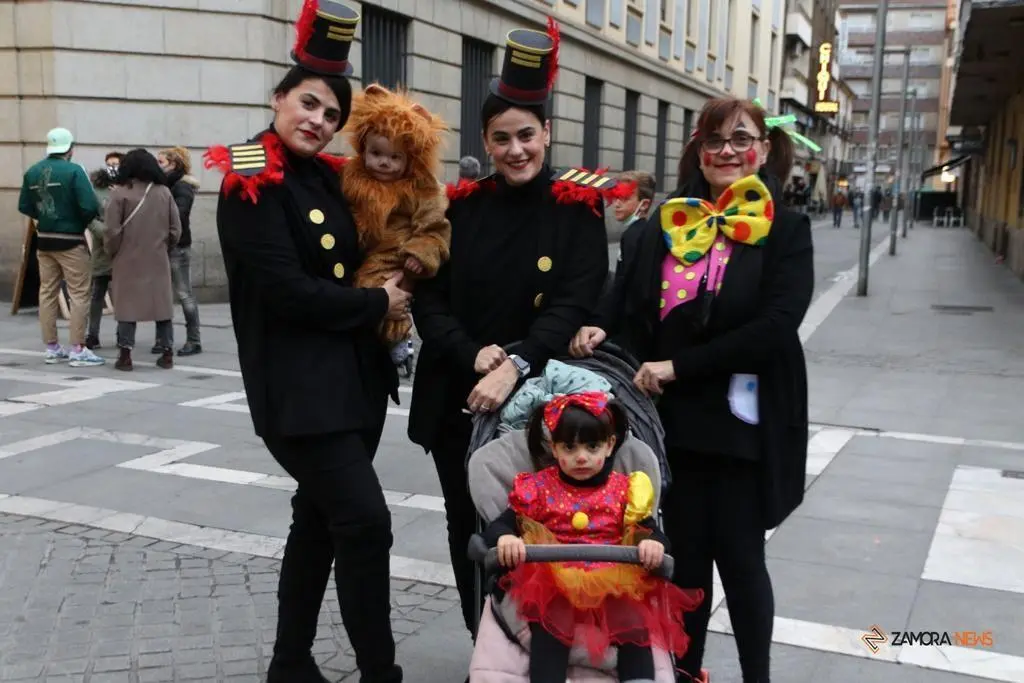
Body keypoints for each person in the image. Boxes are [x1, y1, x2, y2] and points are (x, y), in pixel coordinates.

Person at [571, 96, 814, 683]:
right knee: (684, 566)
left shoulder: (786, 229)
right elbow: (628, 299)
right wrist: (600, 326)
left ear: (764, 148)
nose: (727, 150)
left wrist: (679, 366)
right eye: (714, 140)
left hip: (741, 426)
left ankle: (757, 676)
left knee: (742, 560)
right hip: (670, 424)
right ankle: (686, 673)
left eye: (741, 138)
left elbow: (775, 327)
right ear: (698, 151)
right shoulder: (667, 222)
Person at [203, 2, 408, 681]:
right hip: (298, 395)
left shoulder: (329, 175)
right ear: (279, 99)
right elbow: (287, 291)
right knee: (365, 521)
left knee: (318, 521)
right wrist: (376, 303)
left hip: (354, 386)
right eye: (308, 103)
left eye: (330, 113)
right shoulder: (249, 175)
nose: (318, 120)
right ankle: (380, 672)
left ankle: (289, 662)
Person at [408, 18, 629, 639]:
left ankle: (541, 651)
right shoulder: (460, 207)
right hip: (461, 397)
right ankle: (486, 649)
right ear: (485, 140)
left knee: (545, 529)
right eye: (501, 138)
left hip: (545, 402)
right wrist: (473, 354)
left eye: (526, 135)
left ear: (546, 133)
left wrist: (516, 364)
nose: (516, 150)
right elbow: (430, 301)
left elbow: (574, 300)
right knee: (471, 527)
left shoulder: (577, 207)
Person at [483, 391, 703, 683]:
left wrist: (652, 543)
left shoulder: (625, 490)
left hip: (613, 580)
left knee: (634, 620)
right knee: (550, 622)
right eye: (569, 447)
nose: (581, 457)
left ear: (610, 445)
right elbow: (500, 525)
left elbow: (650, 530)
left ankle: (639, 679)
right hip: (553, 582)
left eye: (592, 446)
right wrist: (506, 538)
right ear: (554, 448)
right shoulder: (537, 489)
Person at [340, 83, 451, 347]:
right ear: (363, 148)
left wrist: (420, 254)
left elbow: (434, 226)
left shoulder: (420, 187)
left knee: (380, 288)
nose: (384, 162)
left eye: (395, 157)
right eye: (376, 153)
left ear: (409, 160)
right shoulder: (352, 176)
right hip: (358, 250)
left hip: (394, 253)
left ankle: (397, 338)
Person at [17, 127, 105, 367]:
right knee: (79, 293)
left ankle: (52, 347)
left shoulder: (32, 171)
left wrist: (45, 217)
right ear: (70, 148)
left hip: (44, 239)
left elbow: (24, 206)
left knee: (47, 292)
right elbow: (89, 205)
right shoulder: (74, 171)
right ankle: (78, 348)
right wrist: (77, 221)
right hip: (70, 239)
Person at [104, 148, 182, 371]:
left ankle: (125, 355)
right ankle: (167, 353)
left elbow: (111, 231)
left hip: (127, 258)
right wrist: (164, 247)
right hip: (157, 257)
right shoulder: (164, 192)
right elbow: (175, 229)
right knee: (162, 307)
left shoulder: (119, 193)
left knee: (126, 308)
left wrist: (113, 251)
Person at [157, 146, 203, 356]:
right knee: (161, 293)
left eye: (161, 162)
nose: (157, 166)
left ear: (173, 164)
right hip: (164, 245)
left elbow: (180, 214)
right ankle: (162, 339)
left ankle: (194, 340)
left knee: (184, 294)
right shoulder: (165, 185)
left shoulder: (182, 186)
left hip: (178, 246)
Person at [84, 155, 121, 349]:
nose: (112, 167)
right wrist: (104, 232)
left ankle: (123, 333)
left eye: (116, 164)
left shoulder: (129, 187)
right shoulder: (96, 189)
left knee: (122, 294)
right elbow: (89, 216)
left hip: (124, 249)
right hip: (103, 248)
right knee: (97, 293)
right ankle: (93, 334)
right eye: (109, 164)